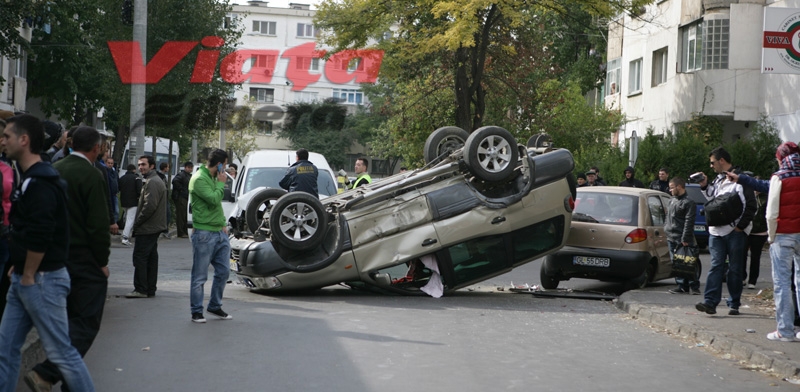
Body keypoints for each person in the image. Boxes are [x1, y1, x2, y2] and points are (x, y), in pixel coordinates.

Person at [0, 115, 95, 392]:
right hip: (26, 277)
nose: (2, 140)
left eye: (7, 135)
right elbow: (28, 229)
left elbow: (43, 232)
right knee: (5, 350)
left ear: (24, 140)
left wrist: (28, 272)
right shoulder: (32, 177)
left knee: (62, 354)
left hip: (41, 280)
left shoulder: (41, 181)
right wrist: (19, 266)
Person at [28, 126, 111, 391]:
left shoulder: (55, 168)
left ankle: (64, 378)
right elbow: (98, 224)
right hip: (84, 258)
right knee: (86, 321)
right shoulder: (91, 174)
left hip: (53, 257)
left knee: (66, 323)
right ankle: (48, 372)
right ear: (96, 148)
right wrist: (102, 261)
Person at [694, 147, 756, 316]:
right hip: (716, 232)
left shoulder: (741, 180)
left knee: (735, 269)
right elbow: (713, 200)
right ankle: (710, 302)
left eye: (713, 162)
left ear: (722, 160)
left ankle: (734, 303)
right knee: (716, 266)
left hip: (734, 232)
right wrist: (704, 185)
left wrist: (740, 227)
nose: (712, 166)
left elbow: (751, 206)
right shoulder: (718, 180)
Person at [189, 149, 232, 323]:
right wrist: (222, 184)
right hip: (204, 233)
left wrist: (223, 223)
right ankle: (196, 311)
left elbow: (217, 207)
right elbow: (214, 200)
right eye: (226, 164)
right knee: (200, 276)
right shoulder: (199, 179)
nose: (226, 168)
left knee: (224, 271)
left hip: (219, 232)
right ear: (220, 163)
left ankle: (214, 305)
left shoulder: (213, 177)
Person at [765, 142, 800, 341]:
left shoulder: (779, 177)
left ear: (782, 157)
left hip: (783, 235)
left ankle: (785, 330)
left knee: (782, 283)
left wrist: (771, 236)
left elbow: (771, 212)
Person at [126, 155, 167, 298]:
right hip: (152, 226)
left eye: (143, 164)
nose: (140, 167)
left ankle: (141, 289)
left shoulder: (153, 182)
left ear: (152, 166)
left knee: (141, 257)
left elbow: (149, 206)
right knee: (150, 258)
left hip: (148, 227)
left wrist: (137, 223)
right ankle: (149, 288)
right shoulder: (152, 180)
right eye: (139, 164)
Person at [665, 176, 700, 295]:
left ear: (679, 187)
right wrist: (666, 229)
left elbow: (689, 221)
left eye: (671, 188)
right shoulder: (671, 200)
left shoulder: (689, 202)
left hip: (682, 237)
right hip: (671, 236)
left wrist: (685, 238)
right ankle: (681, 285)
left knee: (688, 262)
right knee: (677, 263)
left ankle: (694, 286)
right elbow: (668, 217)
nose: (670, 190)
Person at [743, 180, 768, 289]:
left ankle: (752, 281)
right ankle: (742, 277)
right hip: (746, 230)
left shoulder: (765, 198)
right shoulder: (746, 196)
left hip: (760, 232)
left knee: (755, 257)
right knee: (742, 255)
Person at [118, 164, 142, 246]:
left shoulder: (122, 178)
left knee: (126, 217)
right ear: (134, 170)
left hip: (124, 201)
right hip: (133, 201)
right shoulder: (136, 178)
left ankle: (125, 233)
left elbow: (119, 188)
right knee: (130, 219)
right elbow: (139, 190)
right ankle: (125, 237)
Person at [172, 161, 193, 238]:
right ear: (185, 167)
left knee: (185, 216)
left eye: (191, 168)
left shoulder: (188, 175)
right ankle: (180, 232)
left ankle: (184, 231)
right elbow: (175, 181)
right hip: (181, 197)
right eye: (189, 168)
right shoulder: (181, 175)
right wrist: (181, 189)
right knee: (181, 216)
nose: (190, 169)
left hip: (186, 197)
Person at [157, 162, 171, 240]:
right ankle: (164, 230)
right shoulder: (160, 176)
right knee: (167, 214)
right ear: (164, 168)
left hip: (165, 198)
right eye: (167, 167)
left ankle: (164, 229)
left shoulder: (163, 176)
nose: (168, 169)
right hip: (162, 198)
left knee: (167, 214)